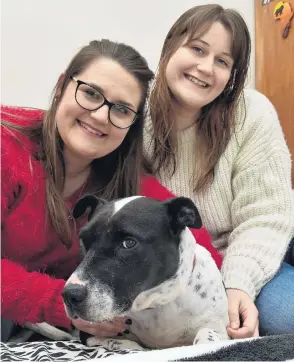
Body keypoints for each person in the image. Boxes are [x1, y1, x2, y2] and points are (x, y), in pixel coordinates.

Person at [143, 4, 294, 337]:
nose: (205, 68)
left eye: (222, 61)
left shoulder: (251, 113)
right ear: (171, 45)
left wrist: (237, 284)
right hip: (179, 265)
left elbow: (265, 216)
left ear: (232, 75)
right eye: (197, 49)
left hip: (243, 253)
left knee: (287, 319)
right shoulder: (135, 112)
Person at [1, 39, 154, 341]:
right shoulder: (7, 143)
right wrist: (58, 301)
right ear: (61, 87)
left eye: (121, 109)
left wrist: (226, 292)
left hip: (42, 325)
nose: (99, 115)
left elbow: (184, 233)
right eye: (90, 93)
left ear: (131, 125)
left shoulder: (124, 176)